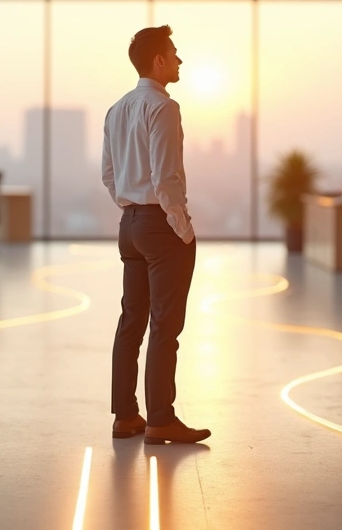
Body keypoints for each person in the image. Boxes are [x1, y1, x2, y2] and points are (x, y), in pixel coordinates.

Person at [102, 25, 211, 445]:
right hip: (158, 225)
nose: (180, 60)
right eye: (174, 53)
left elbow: (108, 175)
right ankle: (161, 419)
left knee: (132, 321)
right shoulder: (163, 107)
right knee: (166, 325)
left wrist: (129, 206)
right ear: (159, 60)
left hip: (129, 225)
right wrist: (181, 227)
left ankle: (126, 416)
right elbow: (166, 177)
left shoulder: (117, 108)